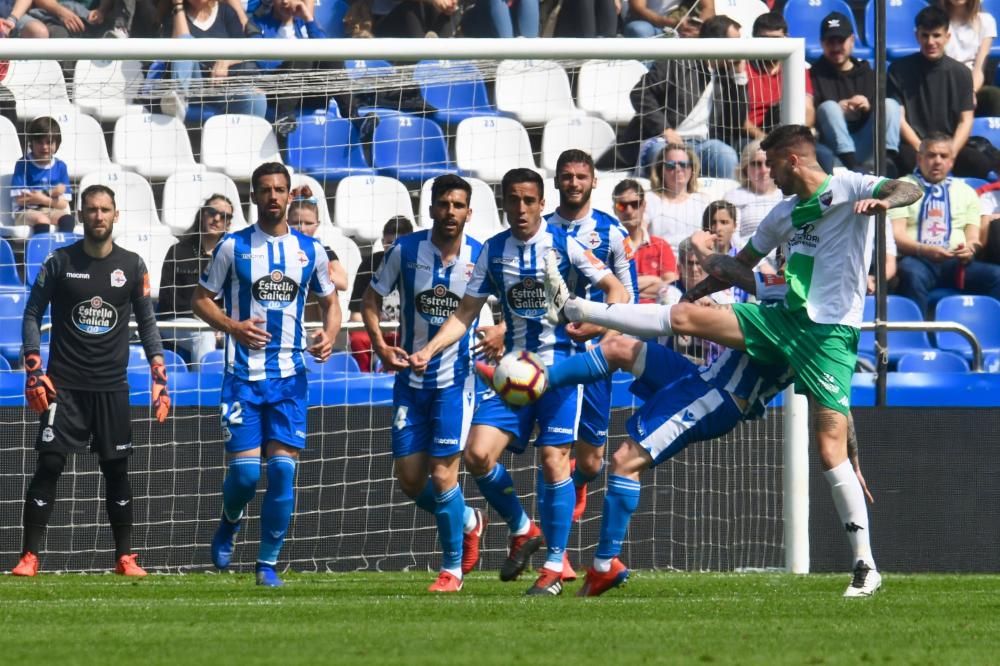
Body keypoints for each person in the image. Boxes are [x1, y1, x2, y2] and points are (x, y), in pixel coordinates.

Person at [545, 124, 923, 597]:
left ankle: (865, 566)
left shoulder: (847, 186)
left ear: (791, 160)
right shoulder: (782, 220)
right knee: (671, 321)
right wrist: (708, 277)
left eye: (768, 162)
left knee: (828, 450)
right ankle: (574, 322)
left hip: (827, 336)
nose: (763, 171)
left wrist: (886, 203)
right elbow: (740, 266)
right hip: (781, 319)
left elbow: (908, 186)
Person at [409, 168, 627, 596]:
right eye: (513, 200)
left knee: (554, 460)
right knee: (476, 455)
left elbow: (616, 289)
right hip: (514, 375)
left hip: (561, 372)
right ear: (504, 204)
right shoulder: (492, 251)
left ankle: (553, 566)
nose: (521, 208)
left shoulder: (565, 244)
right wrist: (430, 349)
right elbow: (464, 314)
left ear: (541, 204)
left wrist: (600, 325)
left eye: (529, 201)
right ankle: (524, 528)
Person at [191, 162, 341, 587]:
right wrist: (234, 327)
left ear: (291, 196)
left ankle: (267, 564)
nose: (273, 196)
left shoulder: (309, 251)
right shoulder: (231, 247)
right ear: (253, 197)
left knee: (281, 471)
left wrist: (328, 336)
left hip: (291, 377)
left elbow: (331, 304)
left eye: (280, 189)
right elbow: (200, 300)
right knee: (245, 474)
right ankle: (229, 520)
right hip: (242, 376)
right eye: (265, 190)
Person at [12, 184, 172, 578]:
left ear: (116, 215)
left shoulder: (132, 266)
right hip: (63, 386)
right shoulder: (59, 261)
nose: (98, 216)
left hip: (111, 387)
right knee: (48, 464)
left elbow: (147, 323)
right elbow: (32, 313)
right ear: (81, 215)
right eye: (92, 210)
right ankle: (29, 557)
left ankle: (125, 558)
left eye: (105, 210)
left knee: (116, 469)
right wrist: (34, 368)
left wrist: (159, 375)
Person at [361, 175, 490, 593]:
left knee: (442, 475)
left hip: (456, 380)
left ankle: (451, 569)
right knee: (411, 480)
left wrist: (504, 332)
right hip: (409, 380)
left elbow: (512, 305)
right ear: (431, 208)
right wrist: (381, 345)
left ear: (469, 212)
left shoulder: (481, 257)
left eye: (458, 205)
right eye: (443, 204)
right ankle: (469, 520)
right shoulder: (406, 250)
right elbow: (370, 299)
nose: (450, 212)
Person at [545, 149, 638, 524]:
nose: (574, 183)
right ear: (556, 181)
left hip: (595, 352)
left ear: (594, 181)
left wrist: (607, 334)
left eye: (581, 177)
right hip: (551, 348)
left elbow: (627, 293)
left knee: (591, 460)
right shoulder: (541, 230)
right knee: (554, 448)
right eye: (567, 176)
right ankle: (553, 535)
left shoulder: (612, 232)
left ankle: (579, 481)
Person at [605, 14, 746, 178]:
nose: (740, 49)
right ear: (715, 42)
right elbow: (640, 93)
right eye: (735, 42)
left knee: (725, 155)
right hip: (663, 140)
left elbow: (736, 123)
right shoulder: (679, 61)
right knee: (664, 156)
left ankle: (720, 203)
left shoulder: (727, 76)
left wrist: (739, 77)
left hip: (703, 144)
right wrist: (664, 130)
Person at [890, 132, 1000, 314]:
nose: (937, 161)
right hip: (917, 259)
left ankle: (990, 334)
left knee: (997, 276)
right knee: (911, 274)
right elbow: (897, 234)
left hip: (957, 263)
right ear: (919, 159)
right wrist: (924, 250)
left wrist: (970, 249)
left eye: (943, 156)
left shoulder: (967, 192)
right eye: (931, 155)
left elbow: (973, 237)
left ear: (952, 161)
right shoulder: (902, 187)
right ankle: (918, 335)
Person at [888, 5, 991, 179]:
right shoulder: (898, 70)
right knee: (898, 162)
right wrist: (924, 151)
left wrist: (949, 152)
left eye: (936, 35)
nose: (930, 42)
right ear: (917, 36)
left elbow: (965, 120)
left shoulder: (962, 73)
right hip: (915, 147)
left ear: (947, 37)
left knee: (980, 163)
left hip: (949, 147)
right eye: (925, 35)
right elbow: (899, 118)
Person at [811, 11, 902, 174]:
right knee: (829, 108)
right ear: (822, 43)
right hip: (833, 148)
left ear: (852, 41)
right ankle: (852, 165)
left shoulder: (867, 71)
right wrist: (838, 110)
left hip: (867, 142)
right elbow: (813, 113)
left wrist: (868, 106)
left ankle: (886, 161)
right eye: (831, 42)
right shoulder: (814, 73)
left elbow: (882, 111)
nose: (836, 47)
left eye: (841, 41)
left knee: (889, 104)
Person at [156, 0, 267, 123]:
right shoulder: (174, 17)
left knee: (257, 99)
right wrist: (178, 7)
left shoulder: (226, 12)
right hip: (193, 91)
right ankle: (179, 100)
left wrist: (226, 61)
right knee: (185, 41)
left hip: (223, 87)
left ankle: (249, 140)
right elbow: (178, 49)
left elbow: (243, 51)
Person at [158, 194, 233, 365]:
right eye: (212, 212)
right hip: (176, 321)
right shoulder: (178, 251)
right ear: (202, 214)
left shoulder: (231, 255)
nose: (216, 218)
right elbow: (168, 300)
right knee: (204, 334)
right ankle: (205, 387)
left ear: (228, 223)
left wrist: (222, 322)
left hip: (220, 322)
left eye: (224, 216)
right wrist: (209, 319)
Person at [347, 216, 413, 372]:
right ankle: (365, 378)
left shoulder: (419, 267)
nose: (394, 249)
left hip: (407, 331)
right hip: (376, 330)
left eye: (399, 244)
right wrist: (376, 329)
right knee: (358, 338)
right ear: (383, 242)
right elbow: (356, 315)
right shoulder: (370, 265)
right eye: (389, 243)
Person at [613, 178, 677, 302]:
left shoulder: (661, 245)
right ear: (615, 209)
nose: (629, 210)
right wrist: (654, 280)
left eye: (634, 204)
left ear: (643, 205)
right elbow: (607, 289)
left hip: (656, 315)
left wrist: (624, 287)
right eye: (622, 205)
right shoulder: (608, 248)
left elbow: (671, 287)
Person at [11, 116, 74, 235]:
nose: (44, 147)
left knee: (67, 219)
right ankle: (41, 253)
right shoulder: (23, 164)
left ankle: (65, 250)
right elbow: (20, 200)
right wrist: (50, 195)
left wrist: (40, 198)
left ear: (57, 143)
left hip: (51, 210)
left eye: (49, 142)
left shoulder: (60, 166)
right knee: (42, 219)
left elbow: (63, 204)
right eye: (39, 142)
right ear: (31, 143)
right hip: (25, 211)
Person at [644, 142, 710, 250]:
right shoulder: (649, 199)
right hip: (658, 261)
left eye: (683, 164)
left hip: (694, 263)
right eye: (670, 165)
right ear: (661, 171)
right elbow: (640, 235)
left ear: (692, 169)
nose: (678, 169)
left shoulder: (703, 201)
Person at [941, 0, 1000, 117]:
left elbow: (979, 68)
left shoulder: (986, 21)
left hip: (971, 84)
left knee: (994, 96)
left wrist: (970, 92)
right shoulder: (937, 21)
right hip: (944, 83)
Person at [724, 139, 783, 247]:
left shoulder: (786, 195)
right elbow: (732, 237)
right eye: (757, 164)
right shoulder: (734, 197)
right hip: (747, 258)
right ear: (745, 168)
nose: (764, 170)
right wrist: (760, 263)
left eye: (768, 163)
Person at [287, 188, 348, 293]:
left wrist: (313, 270)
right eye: (296, 222)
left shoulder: (324, 251)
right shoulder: (278, 250)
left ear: (317, 224)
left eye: (309, 223)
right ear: (287, 223)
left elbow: (343, 283)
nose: (302, 228)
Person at [27, 0, 153, 37]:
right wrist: (62, 13)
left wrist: (102, 10)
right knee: (60, 36)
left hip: (98, 20)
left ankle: (121, 30)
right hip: (59, 17)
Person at [622, 0, 714, 39]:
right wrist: (672, 23)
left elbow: (708, 8)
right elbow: (638, 9)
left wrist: (697, 28)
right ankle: (649, 77)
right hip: (647, 24)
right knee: (640, 29)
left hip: (677, 27)